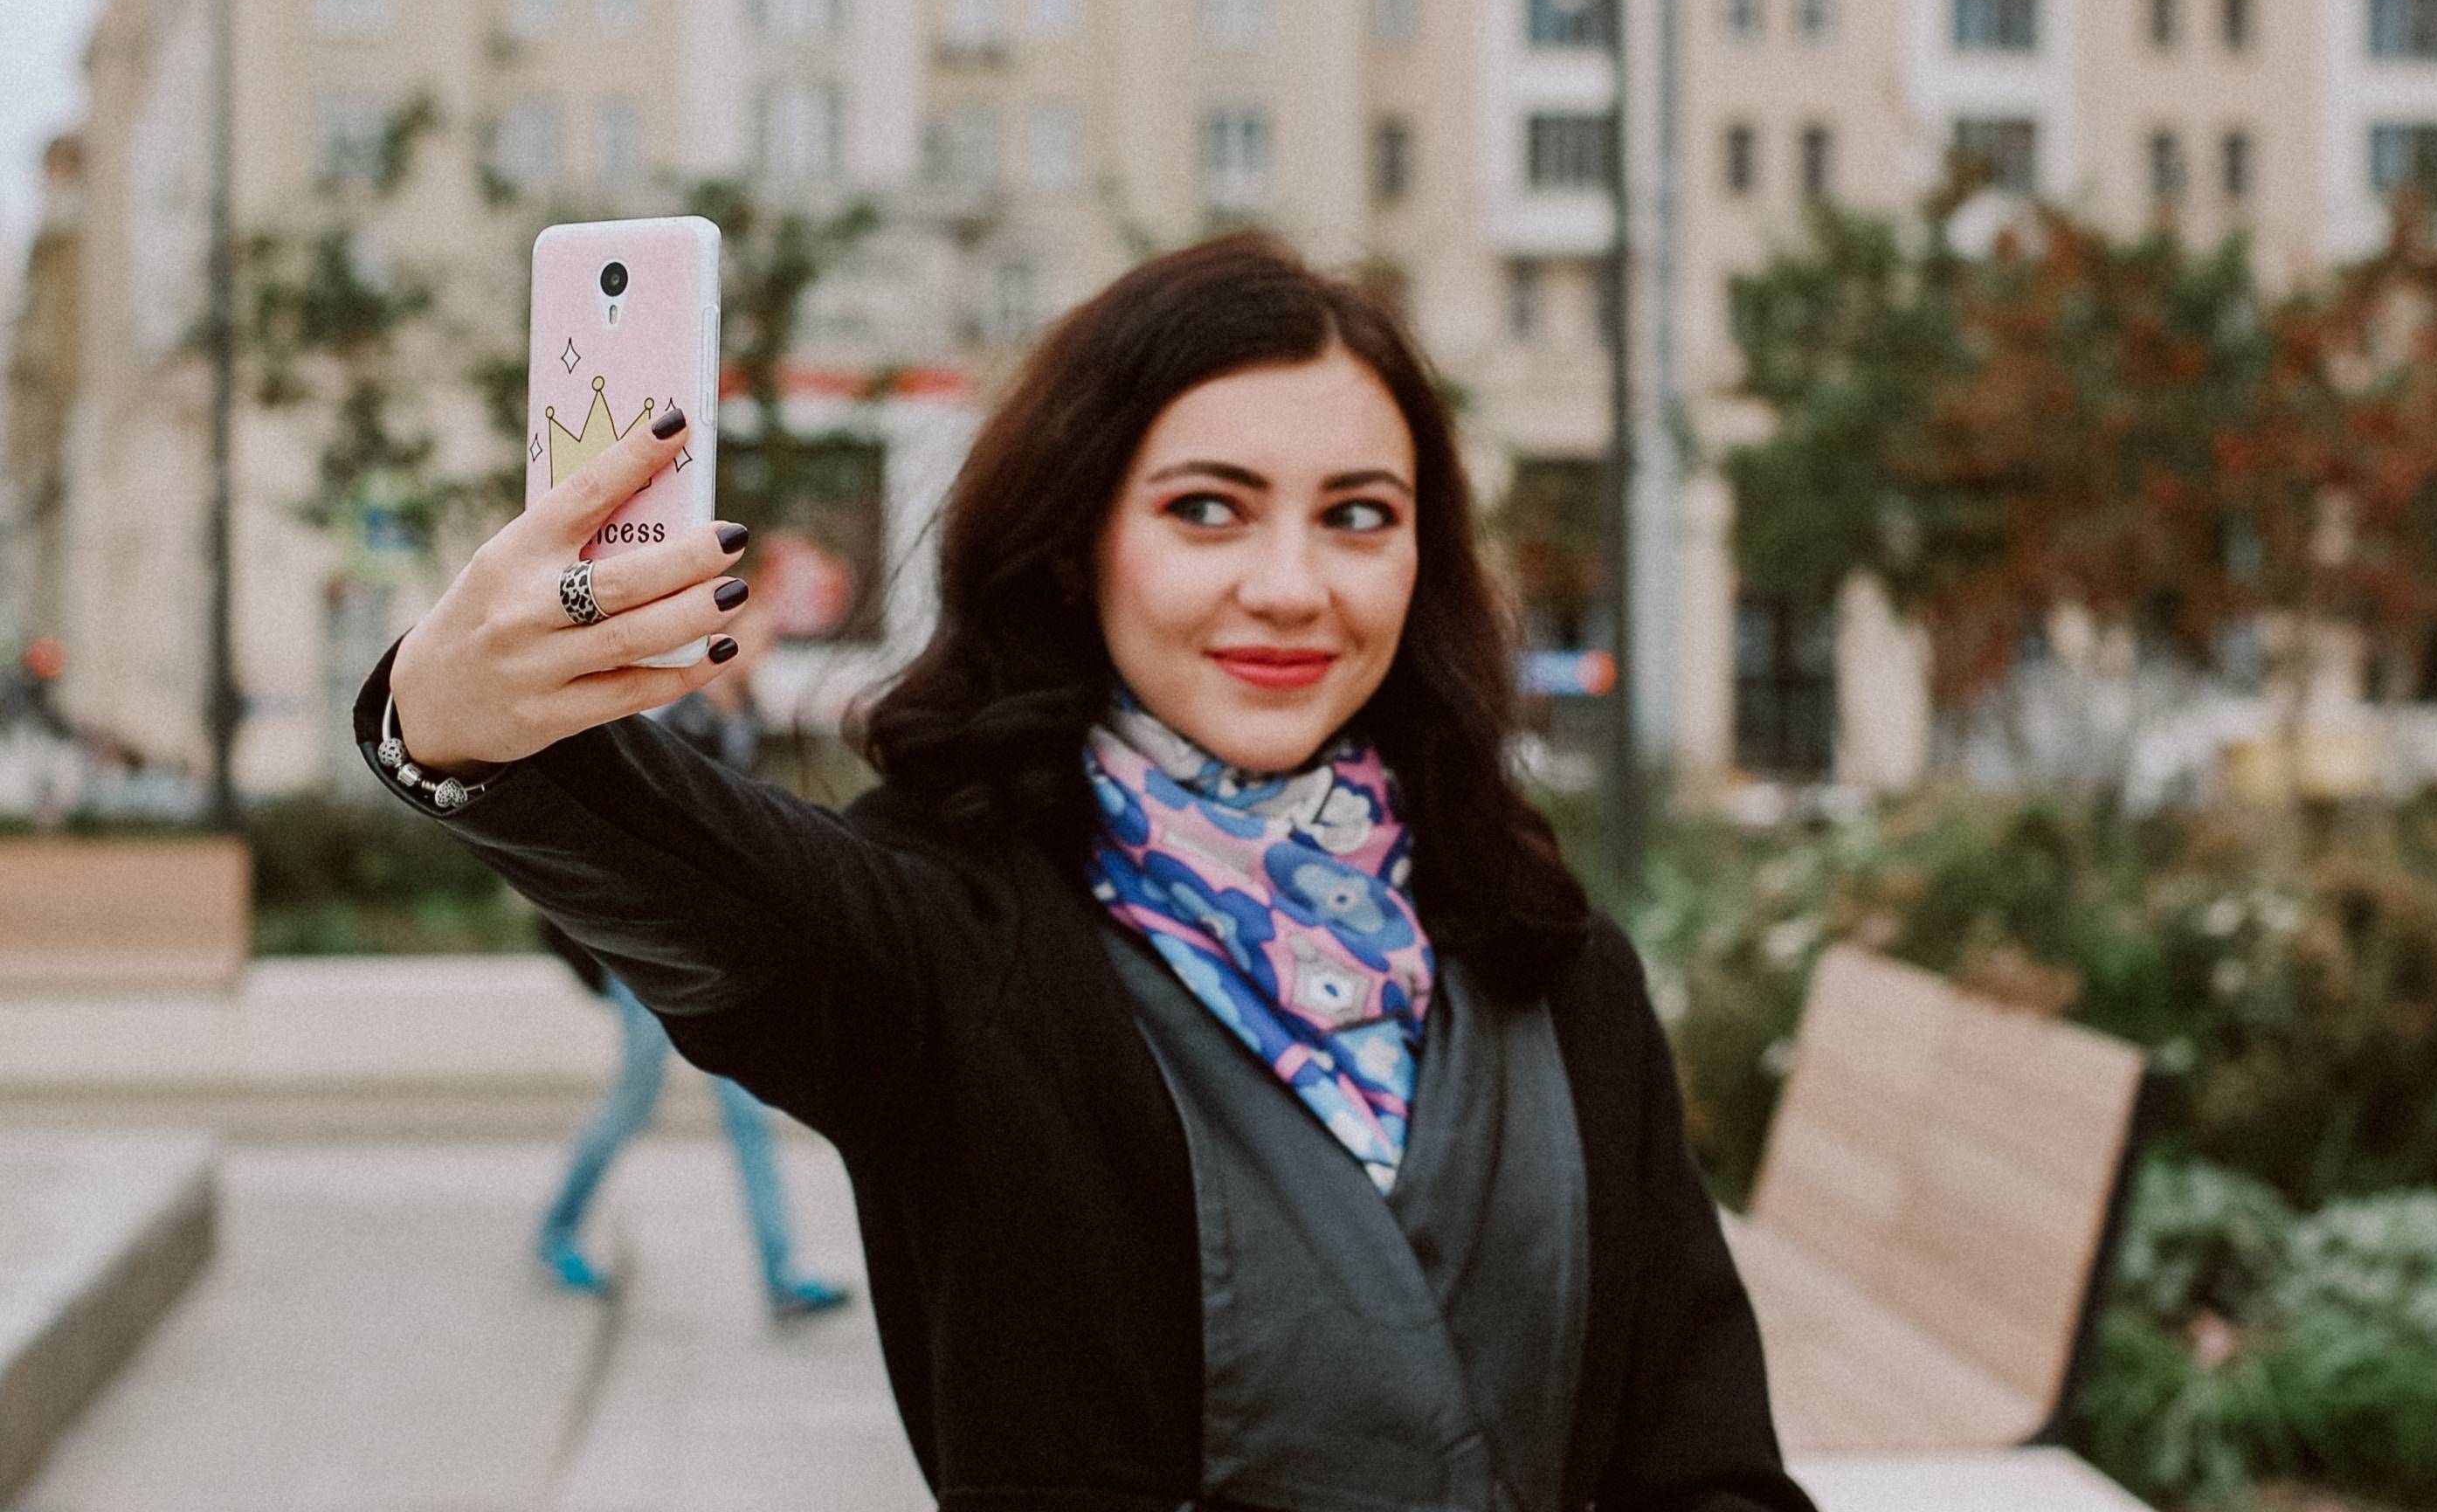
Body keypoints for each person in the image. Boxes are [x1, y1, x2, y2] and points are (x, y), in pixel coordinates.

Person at [358, 233, 1817, 1511]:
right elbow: (699, 887)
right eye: (1207, 508)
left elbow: (1705, 1468)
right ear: (1076, 551)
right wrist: (453, 720)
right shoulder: (952, 944)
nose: (1292, 585)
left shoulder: (1547, 959)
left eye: (1358, 515)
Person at [531, 578, 852, 1321]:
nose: (765, 652)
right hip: (648, 950)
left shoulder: (744, 720)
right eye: (758, 637)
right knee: (636, 1098)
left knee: (747, 1107)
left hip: (713, 952)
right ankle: (557, 1230)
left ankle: (780, 1272)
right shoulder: (683, 717)